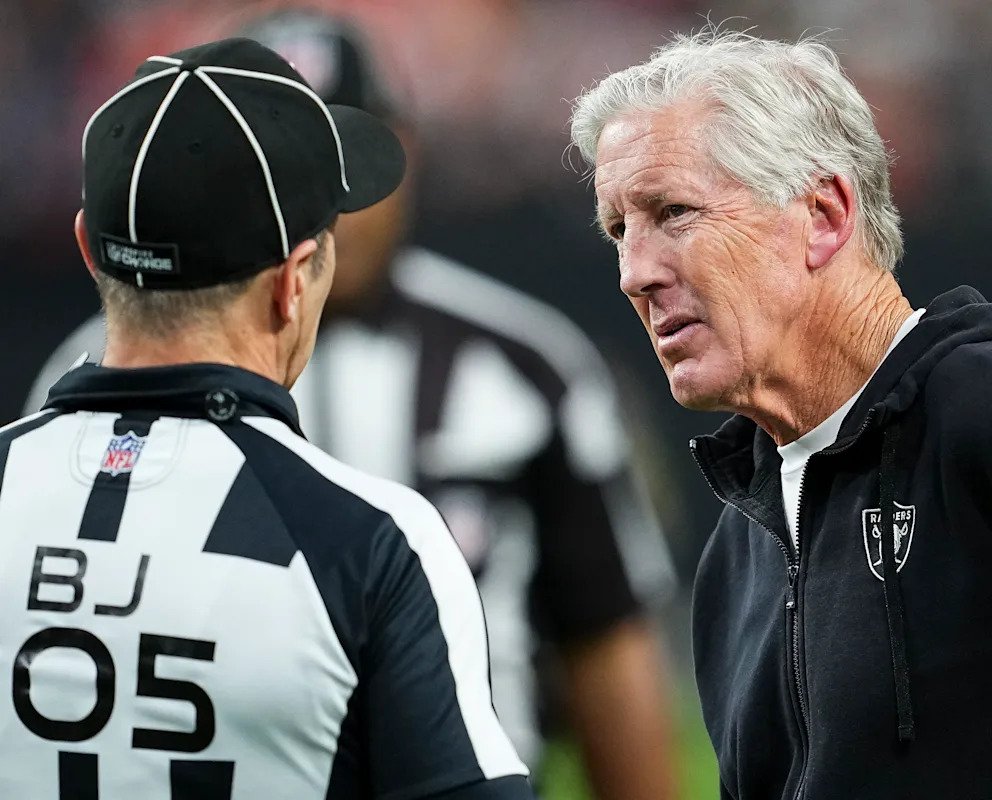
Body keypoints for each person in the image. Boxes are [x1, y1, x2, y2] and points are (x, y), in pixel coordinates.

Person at [25, 10, 679, 798]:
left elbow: (606, 635)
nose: (327, 209)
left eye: (334, 168)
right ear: (292, 273)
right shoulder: (397, 538)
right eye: (288, 176)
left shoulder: (524, 366)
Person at [570, 27, 992, 800]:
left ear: (824, 215)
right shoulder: (737, 551)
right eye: (619, 229)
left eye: (673, 212)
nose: (635, 272)